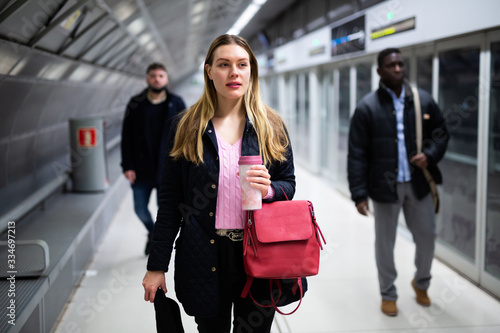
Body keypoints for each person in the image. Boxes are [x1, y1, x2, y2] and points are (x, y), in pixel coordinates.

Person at [142, 34, 295, 332]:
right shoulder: (185, 127)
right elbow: (171, 203)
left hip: (258, 252)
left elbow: (288, 183)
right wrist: (156, 265)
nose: (234, 72)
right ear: (209, 71)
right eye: (224, 64)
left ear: (251, 71)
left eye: (242, 64)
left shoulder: (271, 127)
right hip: (204, 255)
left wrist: (271, 190)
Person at [347, 48, 449, 316]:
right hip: (384, 187)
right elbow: (356, 153)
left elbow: (441, 134)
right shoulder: (367, 107)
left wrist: (430, 155)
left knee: (427, 236)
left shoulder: (423, 101)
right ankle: (388, 293)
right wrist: (359, 194)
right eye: (391, 65)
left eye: (401, 64)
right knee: (385, 242)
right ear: (379, 71)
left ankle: (421, 282)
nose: (398, 69)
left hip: (418, 183)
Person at [121, 63, 186, 255]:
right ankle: (153, 233)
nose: (157, 79)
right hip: (141, 168)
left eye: (160, 75)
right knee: (140, 209)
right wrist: (127, 166)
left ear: (166, 79)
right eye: (153, 75)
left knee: (164, 210)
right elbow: (127, 137)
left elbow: (185, 136)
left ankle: (157, 242)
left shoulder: (177, 103)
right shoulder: (136, 103)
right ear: (147, 78)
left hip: (167, 168)